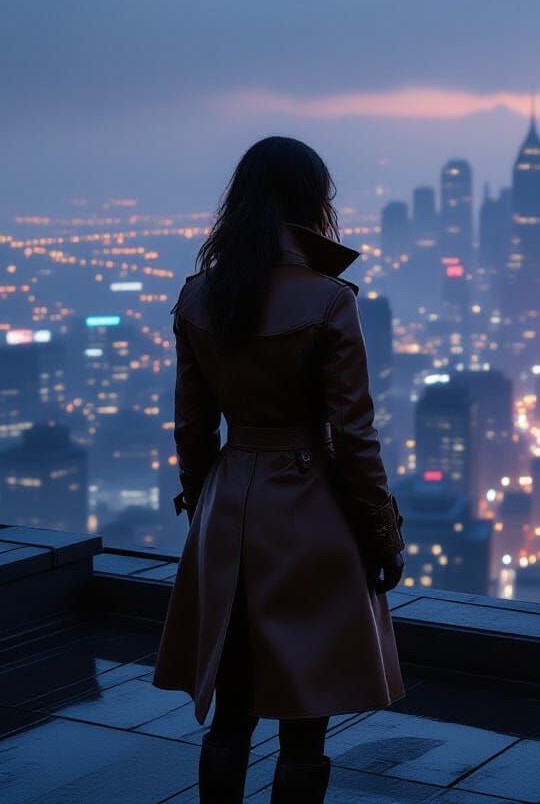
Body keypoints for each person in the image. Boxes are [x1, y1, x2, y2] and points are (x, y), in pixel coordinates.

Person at [153, 136, 406, 804]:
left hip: (229, 508)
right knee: (305, 712)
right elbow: (354, 439)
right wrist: (384, 537)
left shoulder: (201, 297)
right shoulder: (328, 300)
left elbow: (192, 430)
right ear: (310, 205)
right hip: (309, 515)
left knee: (231, 708)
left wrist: (205, 510)